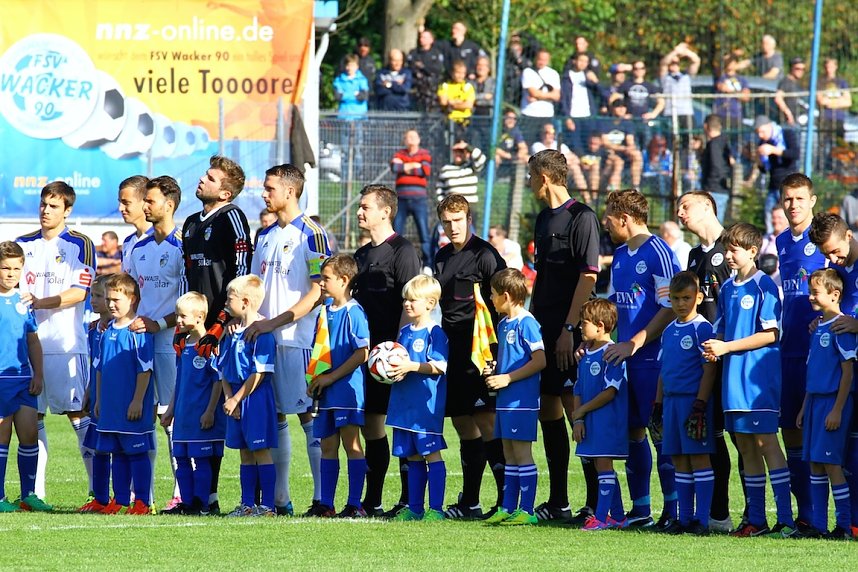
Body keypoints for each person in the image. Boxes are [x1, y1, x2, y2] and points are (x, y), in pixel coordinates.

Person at [701, 222, 798, 538]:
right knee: (745, 447)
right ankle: (755, 519)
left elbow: (771, 333)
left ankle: (785, 519)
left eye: (734, 249)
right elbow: (722, 328)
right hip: (732, 381)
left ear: (753, 251)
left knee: (767, 443)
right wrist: (714, 347)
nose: (728, 255)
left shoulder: (764, 286)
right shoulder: (728, 287)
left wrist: (726, 346)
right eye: (727, 249)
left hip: (758, 383)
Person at [249, 164, 331, 516]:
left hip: (297, 338)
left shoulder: (312, 234)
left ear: (290, 191)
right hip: (265, 340)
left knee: (307, 415)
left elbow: (319, 290)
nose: (264, 194)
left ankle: (322, 499)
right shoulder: (265, 236)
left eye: (269, 188)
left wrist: (276, 323)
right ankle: (280, 500)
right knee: (277, 415)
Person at [528, 149, 600, 523]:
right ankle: (558, 501)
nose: (527, 184)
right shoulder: (542, 219)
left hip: (569, 332)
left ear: (544, 177)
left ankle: (595, 502)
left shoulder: (582, 217)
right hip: (543, 328)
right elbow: (543, 275)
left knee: (578, 413)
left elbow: (589, 276)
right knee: (547, 409)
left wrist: (569, 330)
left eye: (529, 176)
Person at [604, 189, 681, 529]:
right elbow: (614, 307)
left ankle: (673, 509)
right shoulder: (620, 254)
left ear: (625, 218)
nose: (605, 223)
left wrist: (634, 343)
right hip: (624, 359)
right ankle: (641, 509)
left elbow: (670, 307)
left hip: (653, 360)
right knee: (633, 432)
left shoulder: (658, 252)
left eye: (609, 216)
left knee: (659, 433)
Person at [16, 182, 96, 503]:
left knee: (77, 413)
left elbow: (80, 293)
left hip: (66, 345)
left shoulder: (80, 244)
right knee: (32, 419)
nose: (46, 211)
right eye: (43, 204)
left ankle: (97, 491)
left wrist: (39, 301)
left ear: (67, 210)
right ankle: (35, 495)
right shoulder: (21, 244)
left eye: (53, 206)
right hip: (28, 348)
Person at [433, 194, 506, 519]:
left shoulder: (485, 255)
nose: (453, 227)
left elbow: (505, 301)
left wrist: (499, 351)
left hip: (481, 351)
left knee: (486, 421)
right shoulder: (441, 256)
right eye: (447, 222)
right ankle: (471, 502)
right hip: (453, 350)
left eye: (458, 220)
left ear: (469, 219)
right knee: (463, 421)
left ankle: (507, 499)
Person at [675, 191, 743, 532]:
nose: (680, 212)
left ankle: (732, 515)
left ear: (707, 207)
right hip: (699, 361)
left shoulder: (730, 250)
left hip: (727, 358)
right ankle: (710, 515)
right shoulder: (692, 255)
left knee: (733, 437)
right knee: (705, 437)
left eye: (685, 206)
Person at [353, 185, 421, 517]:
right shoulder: (362, 255)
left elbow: (412, 305)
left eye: (365, 207)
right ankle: (373, 501)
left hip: (391, 357)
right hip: (364, 358)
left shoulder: (403, 251)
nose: (359, 212)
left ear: (386, 211)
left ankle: (409, 499)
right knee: (372, 427)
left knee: (402, 426)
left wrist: (398, 351)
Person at [125, 175, 186, 510]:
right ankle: (141, 496)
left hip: (170, 344)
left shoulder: (183, 247)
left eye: (150, 201)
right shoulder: (139, 248)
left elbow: (193, 304)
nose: (144, 206)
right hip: (141, 343)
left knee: (171, 418)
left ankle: (181, 491)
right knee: (141, 415)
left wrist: (159, 323)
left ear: (170, 204)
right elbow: (130, 295)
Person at [775, 174, 827, 535]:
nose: (792, 205)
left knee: (818, 434)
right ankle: (804, 514)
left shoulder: (823, 242)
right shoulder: (780, 241)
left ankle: (834, 517)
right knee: (790, 431)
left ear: (812, 201)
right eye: (787, 199)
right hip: (788, 348)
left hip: (820, 351)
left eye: (799, 199)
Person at [652, 271, 717, 535]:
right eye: (676, 298)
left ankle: (702, 519)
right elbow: (663, 371)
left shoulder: (702, 328)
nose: (681, 303)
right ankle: (684, 517)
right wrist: (657, 405)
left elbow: (709, 369)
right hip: (670, 403)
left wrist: (701, 403)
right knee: (679, 459)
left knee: (698, 458)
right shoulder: (668, 331)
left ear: (699, 297)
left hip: (693, 403)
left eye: (686, 298)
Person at [306, 255, 370, 518]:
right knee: (327, 445)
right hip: (325, 391)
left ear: (344, 280)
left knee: (351, 444)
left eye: (326, 279)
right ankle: (326, 503)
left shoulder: (354, 312)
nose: (321, 283)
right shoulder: (324, 310)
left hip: (346, 391)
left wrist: (331, 377)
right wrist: (315, 378)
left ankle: (355, 504)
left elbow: (362, 352)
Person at [807, 212, 858, 536]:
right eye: (826, 254)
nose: (831, 259)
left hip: (844, 383)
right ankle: (835, 524)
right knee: (835, 457)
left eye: (835, 251)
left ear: (849, 235)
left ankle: (844, 524)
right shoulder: (837, 273)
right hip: (836, 383)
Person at [482, 268, 547, 526]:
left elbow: (540, 360)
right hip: (506, 400)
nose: (491, 298)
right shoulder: (503, 323)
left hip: (522, 401)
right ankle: (508, 507)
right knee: (509, 453)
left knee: (521, 453)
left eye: (493, 294)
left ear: (506, 296)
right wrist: (496, 368)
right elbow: (511, 360)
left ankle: (527, 510)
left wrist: (507, 378)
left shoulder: (527, 322)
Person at [386, 275, 449, 522]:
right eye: (405, 299)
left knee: (431, 454)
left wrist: (411, 366)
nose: (407, 304)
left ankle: (436, 509)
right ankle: (415, 508)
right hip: (403, 406)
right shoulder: (403, 332)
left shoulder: (436, 333)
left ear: (430, 303)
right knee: (411, 455)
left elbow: (439, 366)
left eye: (413, 300)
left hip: (426, 408)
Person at [799, 269, 856, 539]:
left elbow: (848, 372)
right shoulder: (817, 326)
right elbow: (814, 370)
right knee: (814, 464)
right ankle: (819, 526)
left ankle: (843, 526)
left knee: (832, 465)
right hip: (814, 403)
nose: (810, 297)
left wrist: (837, 409)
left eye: (815, 292)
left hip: (832, 403)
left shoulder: (842, 327)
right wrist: (804, 406)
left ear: (835, 295)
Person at [93, 272, 155, 516]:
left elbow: (145, 370)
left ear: (133, 300)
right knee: (117, 453)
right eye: (109, 299)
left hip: (131, 405)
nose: (111, 304)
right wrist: (98, 398)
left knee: (136, 453)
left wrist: (138, 400)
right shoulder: (106, 331)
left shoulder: (138, 331)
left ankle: (142, 502)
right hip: (110, 405)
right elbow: (99, 367)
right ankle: (120, 500)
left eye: (116, 300)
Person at [217, 274, 278, 517]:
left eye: (229, 298)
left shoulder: (262, 332)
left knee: (260, 450)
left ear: (245, 302)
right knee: (244, 452)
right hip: (235, 399)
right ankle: (247, 504)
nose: (225, 302)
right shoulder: (231, 332)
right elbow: (223, 368)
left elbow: (259, 373)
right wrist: (229, 398)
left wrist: (237, 398)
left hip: (256, 399)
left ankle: (269, 506)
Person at [161, 291, 226, 516]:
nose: (178, 321)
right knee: (181, 457)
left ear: (199, 317)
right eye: (177, 315)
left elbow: (218, 380)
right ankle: (187, 502)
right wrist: (170, 410)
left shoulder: (209, 346)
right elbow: (179, 380)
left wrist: (210, 411)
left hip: (202, 416)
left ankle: (202, 503)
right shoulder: (182, 344)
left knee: (200, 458)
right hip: (183, 414)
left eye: (182, 316)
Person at [571, 298, 629, 530]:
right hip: (590, 420)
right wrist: (578, 418)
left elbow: (610, 392)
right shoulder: (585, 354)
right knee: (599, 465)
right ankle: (617, 516)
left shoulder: (611, 353)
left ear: (600, 326)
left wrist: (582, 410)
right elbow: (578, 387)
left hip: (607, 421)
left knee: (604, 465)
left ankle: (602, 517)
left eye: (583, 323)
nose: (579, 327)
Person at [0, 241, 45, 512]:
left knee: (29, 433)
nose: (10, 273)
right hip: (1, 379)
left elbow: (33, 341)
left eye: (16, 268)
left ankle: (28, 494)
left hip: (23, 378)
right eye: (5, 268)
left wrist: (38, 373)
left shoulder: (25, 301)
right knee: (2, 437)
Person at [77, 275, 112, 513]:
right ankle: (100, 498)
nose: (94, 300)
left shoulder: (124, 329)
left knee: (121, 449)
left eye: (99, 296)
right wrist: (90, 390)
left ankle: (128, 496)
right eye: (93, 295)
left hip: (117, 399)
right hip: (98, 398)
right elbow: (96, 365)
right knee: (99, 448)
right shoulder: (94, 330)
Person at [749, 116, 800, 235]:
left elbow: (794, 154)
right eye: (758, 133)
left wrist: (774, 150)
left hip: (789, 185)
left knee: (788, 217)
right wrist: (758, 159)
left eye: (762, 131)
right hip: (773, 186)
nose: (760, 135)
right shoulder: (763, 142)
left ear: (769, 126)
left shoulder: (786, 134)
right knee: (770, 217)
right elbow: (764, 169)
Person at [391, 129, 433, 269]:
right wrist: (415, 165)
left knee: (424, 233)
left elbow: (425, 170)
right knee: (396, 232)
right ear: (404, 140)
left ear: (419, 139)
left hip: (419, 199)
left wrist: (405, 166)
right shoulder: (399, 153)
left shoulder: (425, 154)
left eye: (414, 136)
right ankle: (395, 261)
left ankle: (427, 264)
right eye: (408, 136)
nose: (411, 139)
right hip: (401, 199)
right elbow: (395, 167)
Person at [334, 54, 369, 179]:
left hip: (358, 118)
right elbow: (338, 96)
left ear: (357, 66)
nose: (349, 68)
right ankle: (344, 175)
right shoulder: (339, 80)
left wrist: (346, 95)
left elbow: (363, 96)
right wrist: (354, 94)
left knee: (358, 148)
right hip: (344, 118)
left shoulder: (362, 80)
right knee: (344, 150)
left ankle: (358, 175)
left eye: (352, 65)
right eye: (348, 65)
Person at [530, 124, 588, 198]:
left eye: (552, 132)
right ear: (541, 134)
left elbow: (575, 159)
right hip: (545, 175)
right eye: (547, 132)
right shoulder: (537, 146)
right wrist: (564, 160)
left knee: (575, 167)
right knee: (573, 167)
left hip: (562, 172)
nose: (549, 135)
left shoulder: (560, 145)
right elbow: (546, 162)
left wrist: (563, 161)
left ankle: (587, 198)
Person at [560, 52, 600, 155]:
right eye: (581, 60)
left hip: (588, 116)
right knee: (575, 145)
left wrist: (595, 81)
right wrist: (567, 117)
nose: (583, 64)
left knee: (589, 144)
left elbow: (602, 93)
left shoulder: (588, 76)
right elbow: (563, 99)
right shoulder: (566, 77)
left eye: (586, 62)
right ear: (574, 61)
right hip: (573, 116)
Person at [600, 97, 643, 189]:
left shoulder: (627, 123)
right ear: (612, 109)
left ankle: (635, 186)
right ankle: (613, 191)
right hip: (608, 152)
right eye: (618, 107)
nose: (621, 109)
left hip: (623, 151)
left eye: (623, 107)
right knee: (618, 162)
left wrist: (629, 148)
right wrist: (621, 148)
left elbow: (630, 141)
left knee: (637, 155)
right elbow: (605, 142)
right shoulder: (605, 122)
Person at [436, 140, 487, 217]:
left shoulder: (472, 167)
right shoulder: (446, 169)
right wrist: (443, 206)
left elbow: (482, 159)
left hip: (470, 206)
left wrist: (467, 146)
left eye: (461, 151)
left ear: (467, 153)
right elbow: (439, 190)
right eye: (456, 151)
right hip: (451, 207)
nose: (458, 154)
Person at [659, 43, 701, 135]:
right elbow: (663, 63)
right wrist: (675, 51)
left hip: (686, 112)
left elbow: (696, 61)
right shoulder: (665, 77)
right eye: (672, 63)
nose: (674, 65)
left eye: (676, 63)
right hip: (670, 112)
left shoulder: (686, 76)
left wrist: (686, 52)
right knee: (671, 138)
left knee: (689, 137)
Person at [817, 57, 851, 170]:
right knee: (823, 145)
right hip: (825, 118)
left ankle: (838, 170)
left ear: (836, 67)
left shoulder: (841, 82)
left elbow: (848, 101)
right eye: (827, 66)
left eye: (831, 66)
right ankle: (822, 170)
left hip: (839, 118)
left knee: (839, 144)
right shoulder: (820, 82)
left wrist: (830, 103)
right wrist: (839, 101)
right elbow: (821, 100)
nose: (829, 69)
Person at [700, 115, 734, 222]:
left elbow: (716, 166)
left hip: (715, 189)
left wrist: (710, 188)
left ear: (706, 126)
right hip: (721, 188)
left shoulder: (714, 144)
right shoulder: (724, 142)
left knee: (712, 223)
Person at [117, 176, 153, 273]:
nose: (120, 208)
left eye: (126, 203)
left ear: (145, 202)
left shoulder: (165, 239)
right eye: (120, 202)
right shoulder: (127, 242)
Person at [408, 30, 446, 112]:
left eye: (425, 37)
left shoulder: (436, 53)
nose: (422, 39)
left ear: (431, 40)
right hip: (417, 87)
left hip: (432, 88)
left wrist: (423, 67)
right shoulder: (414, 53)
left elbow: (437, 70)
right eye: (421, 37)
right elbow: (411, 67)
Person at [713, 55, 751, 135]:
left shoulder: (742, 79)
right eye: (728, 62)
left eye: (733, 62)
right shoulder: (721, 77)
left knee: (736, 138)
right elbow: (721, 86)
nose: (730, 64)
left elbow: (746, 96)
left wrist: (731, 92)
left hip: (735, 114)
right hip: (721, 114)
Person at [520, 49, 561, 121]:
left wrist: (537, 97)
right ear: (536, 58)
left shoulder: (553, 74)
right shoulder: (528, 72)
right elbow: (533, 92)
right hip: (530, 113)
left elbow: (556, 96)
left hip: (547, 114)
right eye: (540, 59)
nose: (542, 62)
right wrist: (550, 95)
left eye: (545, 60)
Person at [774, 57, 807, 126]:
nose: (800, 71)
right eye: (798, 69)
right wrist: (788, 114)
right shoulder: (785, 81)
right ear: (791, 68)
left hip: (799, 120)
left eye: (803, 69)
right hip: (788, 121)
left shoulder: (798, 83)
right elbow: (778, 98)